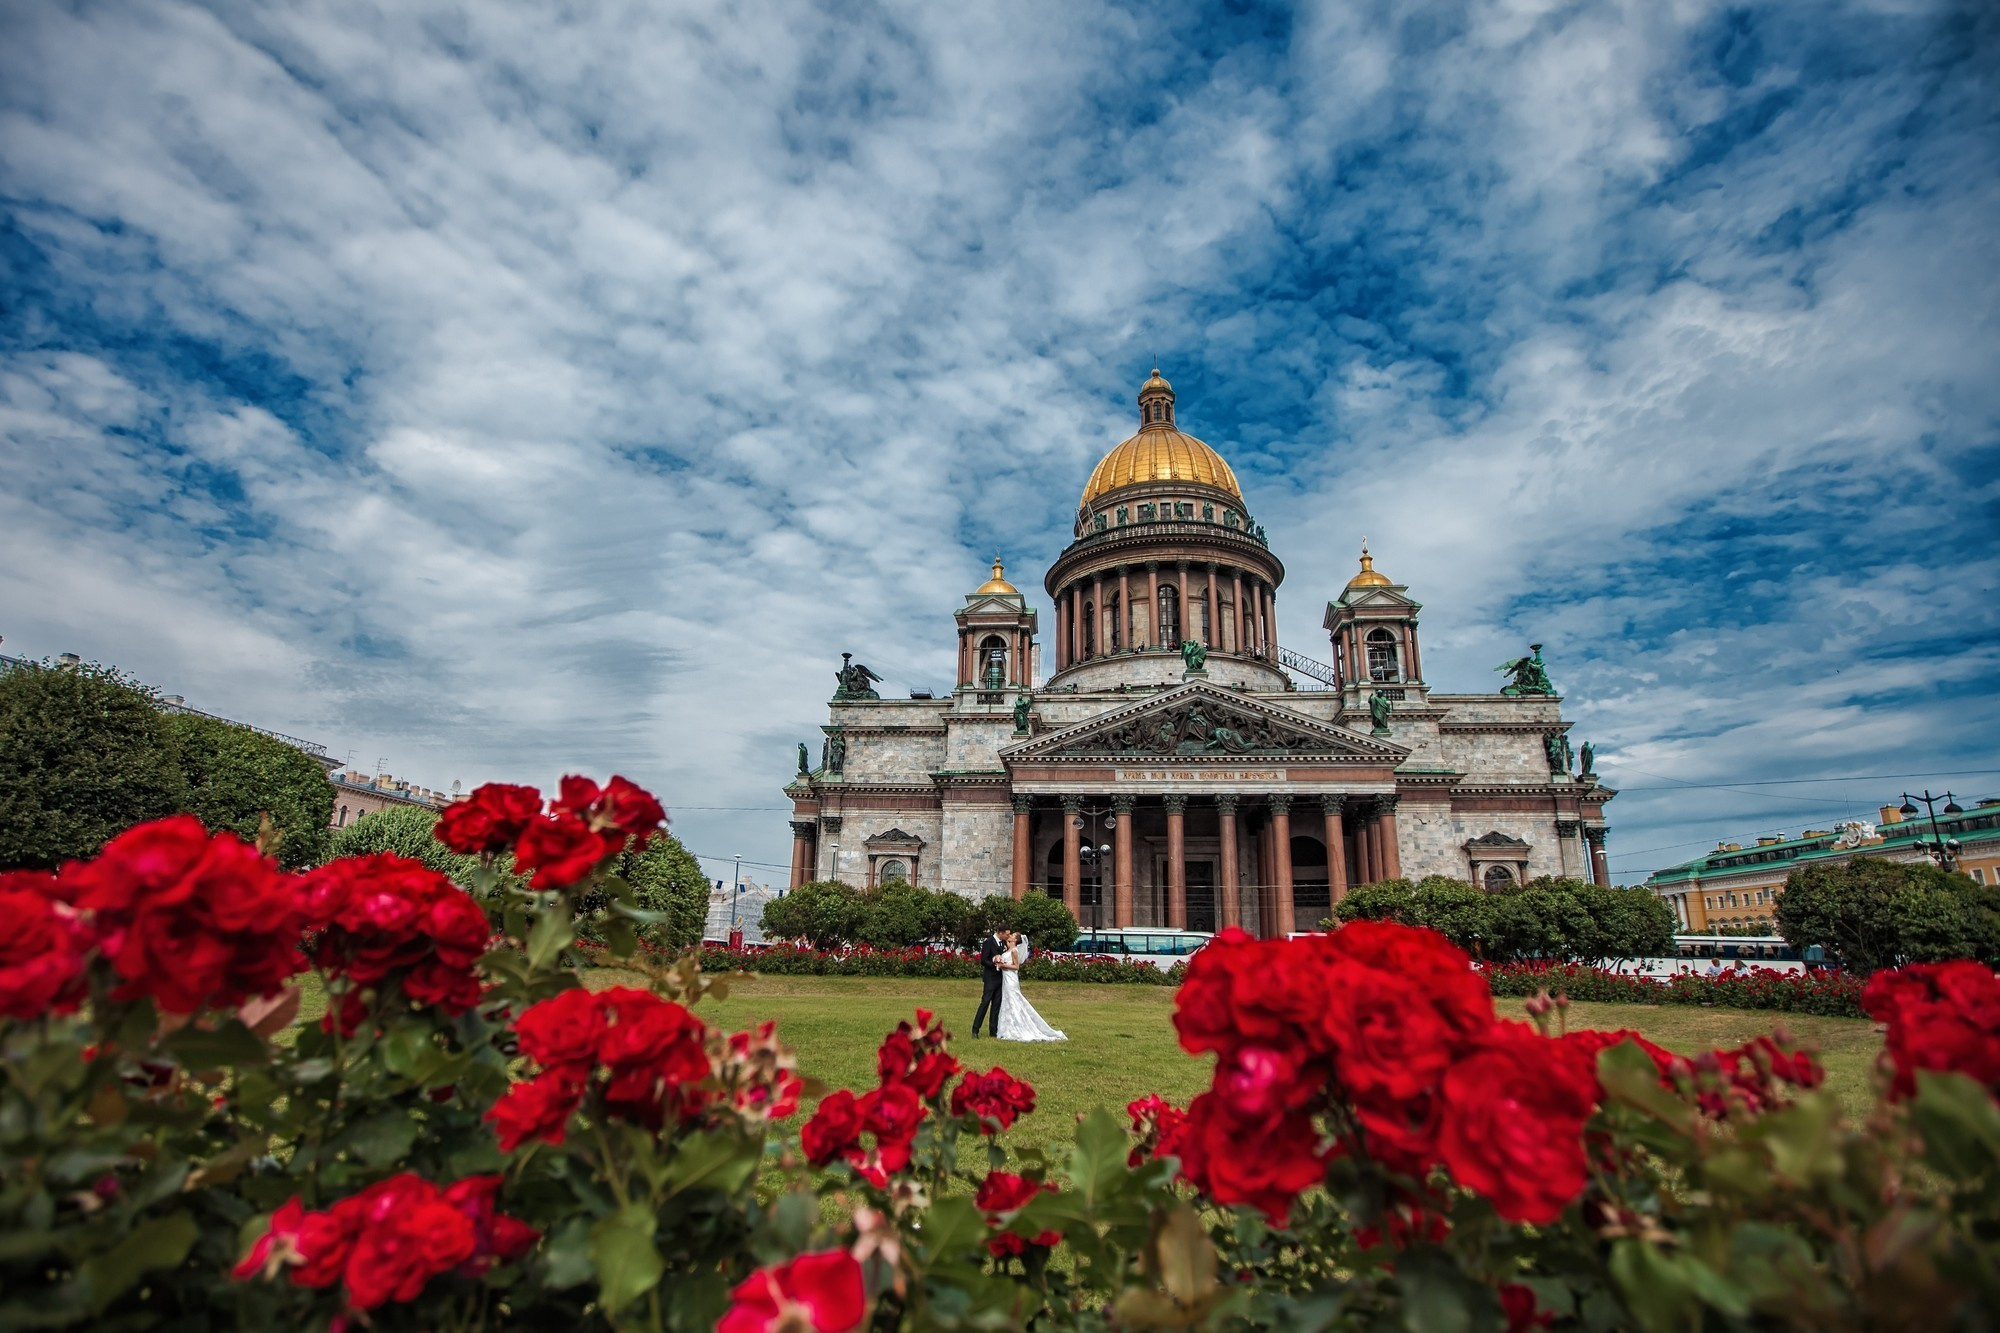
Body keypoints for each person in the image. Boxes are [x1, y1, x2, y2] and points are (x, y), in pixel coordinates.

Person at [995, 930, 1066, 1043]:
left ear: (1015, 940)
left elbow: (1016, 967)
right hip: (1006, 979)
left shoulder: (1014, 951)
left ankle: (1018, 1025)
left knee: (1013, 1000)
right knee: (1007, 1001)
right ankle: (1008, 1026)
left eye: (1012, 935)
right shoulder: (1007, 950)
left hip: (1011, 979)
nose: (1010, 936)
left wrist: (1003, 965)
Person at [971, 927, 1007, 1038]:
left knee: (996, 1005)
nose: (1007, 936)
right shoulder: (988, 942)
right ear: (1000, 933)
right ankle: (975, 1029)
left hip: (1000, 978)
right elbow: (983, 960)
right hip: (990, 978)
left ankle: (993, 1030)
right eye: (1006, 934)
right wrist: (995, 964)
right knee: (985, 1002)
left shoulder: (1003, 943)